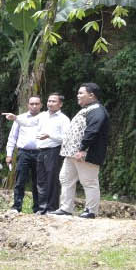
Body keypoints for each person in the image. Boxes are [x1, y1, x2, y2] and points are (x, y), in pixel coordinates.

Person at [51, 83, 109, 218]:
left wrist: (82, 149)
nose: (78, 96)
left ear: (91, 95)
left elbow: (93, 131)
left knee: (89, 181)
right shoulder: (88, 109)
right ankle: (66, 208)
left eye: (81, 93)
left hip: (85, 153)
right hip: (71, 153)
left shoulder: (97, 110)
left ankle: (91, 211)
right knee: (65, 178)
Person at [4, 96, 46, 213]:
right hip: (24, 153)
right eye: (32, 104)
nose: (34, 106)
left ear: (41, 105)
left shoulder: (45, 118)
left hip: (40, 153)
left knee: (38, 182)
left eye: (37, 104)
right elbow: (12, 137)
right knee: (20, 181)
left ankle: (38, 208)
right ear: (28, 105)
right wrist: (9, 154)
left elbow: (34, 124)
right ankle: (17, 206)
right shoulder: (20, 118)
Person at [35, 93, 71, 214]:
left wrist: (50, 136)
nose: (50, 103)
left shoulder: (64, 119)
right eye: (49, 101)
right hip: (41, 151)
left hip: (54, 151)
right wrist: (16, 118)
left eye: (53, 101)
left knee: (52, 180)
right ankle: (42, 208)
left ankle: (51, 208)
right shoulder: (42, 116)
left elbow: (66, 138)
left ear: (60, 104)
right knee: (41, 181)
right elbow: (28, 122)